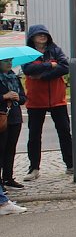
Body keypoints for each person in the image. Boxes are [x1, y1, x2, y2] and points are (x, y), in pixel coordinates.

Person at [21, 24, 74, 180]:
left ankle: (71, 165)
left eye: (44, 34)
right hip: (36, 100)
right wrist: (50, 65)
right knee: (34, 135)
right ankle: (34, 168)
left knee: (64, 132)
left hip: (57, 99)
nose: (42, 36)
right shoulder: (27, 52)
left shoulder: (55, 50)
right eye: (39, 34)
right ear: (32, 37)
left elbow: (64, 67)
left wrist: (43, 76)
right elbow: (28, 69)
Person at [0, 57, 27, 188]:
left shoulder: (14, 77)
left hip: (14, 117)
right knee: (1, 149)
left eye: (10, 61)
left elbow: (23, 97)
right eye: (5, 61)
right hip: (1, 117)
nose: (9, 63)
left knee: (11, 149)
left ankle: (8, 177)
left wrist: (18, 97)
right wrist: (4, 97)